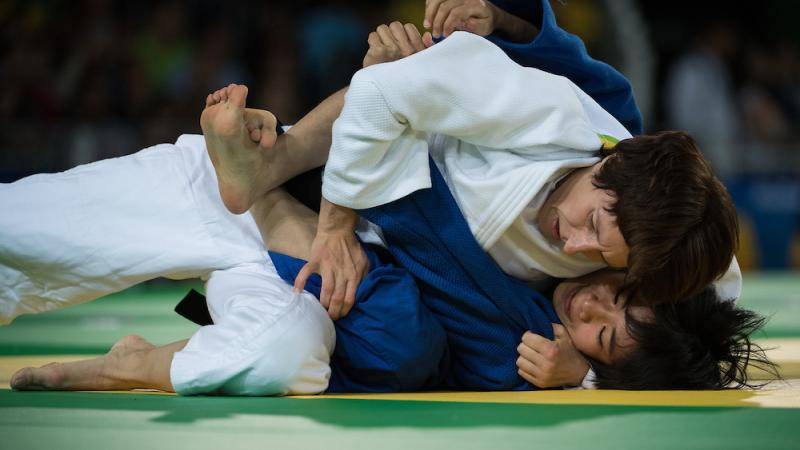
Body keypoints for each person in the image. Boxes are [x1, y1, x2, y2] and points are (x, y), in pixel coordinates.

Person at [5, 128, 771, 394]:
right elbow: (717, 277)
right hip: (228, 192)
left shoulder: (534, 345)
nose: (588, 306)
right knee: (19, 231)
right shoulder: (602, 206)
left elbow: (641, 353)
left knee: (285, 358)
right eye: (614, 297)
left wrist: (591, 371)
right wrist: (278, 191)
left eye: (602, 333)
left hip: (295, 284)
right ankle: (266, 196)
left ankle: (134, 363)